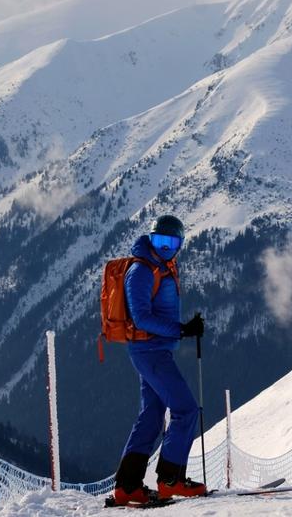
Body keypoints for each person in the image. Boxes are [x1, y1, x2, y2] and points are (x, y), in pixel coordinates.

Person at [112, 215, 207, 506]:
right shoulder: (140, 271)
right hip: (149, 351)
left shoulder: (160, 266)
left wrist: (183, 328)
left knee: (152, 416)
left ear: (180, 244)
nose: (165, 247)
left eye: (172, 242)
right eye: (160, 241)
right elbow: (141, 317)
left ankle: (127, 487)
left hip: (155, 350)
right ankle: (170, 480)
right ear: (150, 239)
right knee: (186, 410)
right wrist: (181, 329)